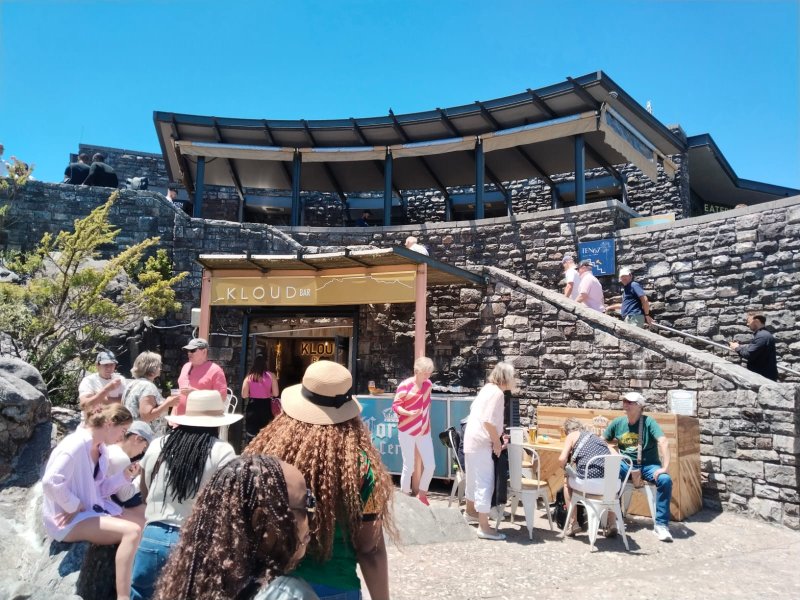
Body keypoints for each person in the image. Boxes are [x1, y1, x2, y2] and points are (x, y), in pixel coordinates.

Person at [244, 360, 396, 600]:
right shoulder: (362, 468)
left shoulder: (269, 454)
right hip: (335, 588)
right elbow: (370, 549)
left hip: (270, 587)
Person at [153, 455, 318, 600]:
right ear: (260, 520)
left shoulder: (189, 581)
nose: (313, 518)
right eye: (309, 504)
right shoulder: (290, 595)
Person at [130, 390, 240, 600]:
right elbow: (227, 502)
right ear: (218, 422)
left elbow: (145, 493)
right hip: (193, 540)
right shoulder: (223, 452)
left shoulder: (157, 445)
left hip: (152, 537)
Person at [41, 404, 143, 600]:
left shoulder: (100, 448)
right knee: (132, 532)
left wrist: (124, 476)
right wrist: (74, 504)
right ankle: (124, 596)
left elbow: (99, 489)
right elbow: (50, 481)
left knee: (140, 524)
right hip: (66, 519)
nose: (122, 437)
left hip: (87, 511)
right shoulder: (75, 445)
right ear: (109, 424)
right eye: (122, 430)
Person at [603, 391, 673, 542]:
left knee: (665, 480)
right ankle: (613, 519)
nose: (626, 404)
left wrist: (665, 468)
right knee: (611, 471)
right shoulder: (618, 423)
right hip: (626, 464)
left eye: (630, 402)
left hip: (649, 465)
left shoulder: (648, 422)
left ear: (640, 406)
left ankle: (661, 525)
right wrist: (613, 452)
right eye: (625, 401)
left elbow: (663, 441)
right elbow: (603, 441)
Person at [463, 362, 516, 541]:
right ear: (506, 378)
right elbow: (488, 421)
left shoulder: (486, 389)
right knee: (485, 482)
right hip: (481, 442)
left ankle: (470, 513)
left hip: (471, 439)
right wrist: (496, 442)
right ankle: (484, 527)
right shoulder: (498, 394)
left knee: (472, 479)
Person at [557, 417, 615, 537]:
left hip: (588, 485)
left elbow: (562, 459)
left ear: (567, 431)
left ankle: (573, 524)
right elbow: (615, 455)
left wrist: (565, 468)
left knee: (566, 482)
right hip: (608, 485)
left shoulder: (571, 436)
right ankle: (612, 523)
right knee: (610, 485)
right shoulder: (597, 438)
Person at [392, 356, 435, 506]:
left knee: (430, 465)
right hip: (407, 429)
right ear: (417, 371)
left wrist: (424, 420)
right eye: (425, 373)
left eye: (429, 373)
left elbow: (426, 404)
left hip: (424, 430)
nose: (427, 376)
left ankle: (422, 494)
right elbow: (396, 405)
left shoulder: (428, 384)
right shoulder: (405, 385)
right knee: (408, 465)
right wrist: (408, 413)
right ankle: (404, 496)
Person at [123, 351, 179, 436]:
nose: (160, 368)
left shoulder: (131, 384)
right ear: (151, 369)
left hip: (130, 433)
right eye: (158, 366)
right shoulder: (148, 387)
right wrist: (168, 403)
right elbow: (146, 416)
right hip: (144, 438)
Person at [106, 421, 154, 519]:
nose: (141, 451)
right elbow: (124, 496)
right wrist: (143, 476)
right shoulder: (121, 457)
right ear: (137, 439)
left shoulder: (111, 448)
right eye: (144, 446)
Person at [176, 337, 228, 416]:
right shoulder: (186, 366)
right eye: (188, 350)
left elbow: (221, 398)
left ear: (204, 351)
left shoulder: (216, 370)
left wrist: (196, 394)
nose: (189, 353)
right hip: (179, 419)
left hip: (203, 422)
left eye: (193, 350)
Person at [79, 351, 127, 421]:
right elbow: (85, 405)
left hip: (113, 422)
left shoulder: (120, 379)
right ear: (97, 365)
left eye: (112, 365)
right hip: (92, 422)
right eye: (105, 365)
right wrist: (107, 389)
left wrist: (97, 398)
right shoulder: (88, 381)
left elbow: (124, 401)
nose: (109, 368)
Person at [242, 352, 280, 441]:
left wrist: (253, 392)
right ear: (265, 364)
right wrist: (268, 393)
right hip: (266, 407)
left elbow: (244, 395)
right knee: (265, 437)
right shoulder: (271, 376)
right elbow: (276, 394)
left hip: (253, 408)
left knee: (251, 437)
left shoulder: (249, 377)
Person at [729, 313, 778, 381]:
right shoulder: (764, 335)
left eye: (749, 322)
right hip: (765, 377)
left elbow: (748, 354)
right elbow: (754, 351)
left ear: (756, 321)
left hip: (763, 379)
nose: (747, 324)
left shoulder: (762, 336)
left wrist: (736, 348)